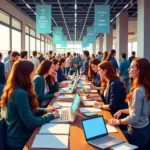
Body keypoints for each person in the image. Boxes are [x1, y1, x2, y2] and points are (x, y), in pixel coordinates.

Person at [0, 60, 60, 150]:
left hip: (18, 135)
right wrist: (51, 116)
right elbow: (31, 122)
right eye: (32, 71)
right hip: (20, 141)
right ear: (25, 74)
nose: (34, 73)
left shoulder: (16, 89)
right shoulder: (20, 94)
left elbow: (27, 110)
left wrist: (45, 110)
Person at [108, 58, 150, 149]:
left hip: (136, 133)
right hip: (145, 130)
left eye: (131, 67)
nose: (128, 69)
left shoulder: (138, 91)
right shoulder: (145, 87)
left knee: (109, 140)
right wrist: (121, 111)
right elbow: (138, 111)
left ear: (140, 70)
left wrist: (118, 121)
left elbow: (134, 118)